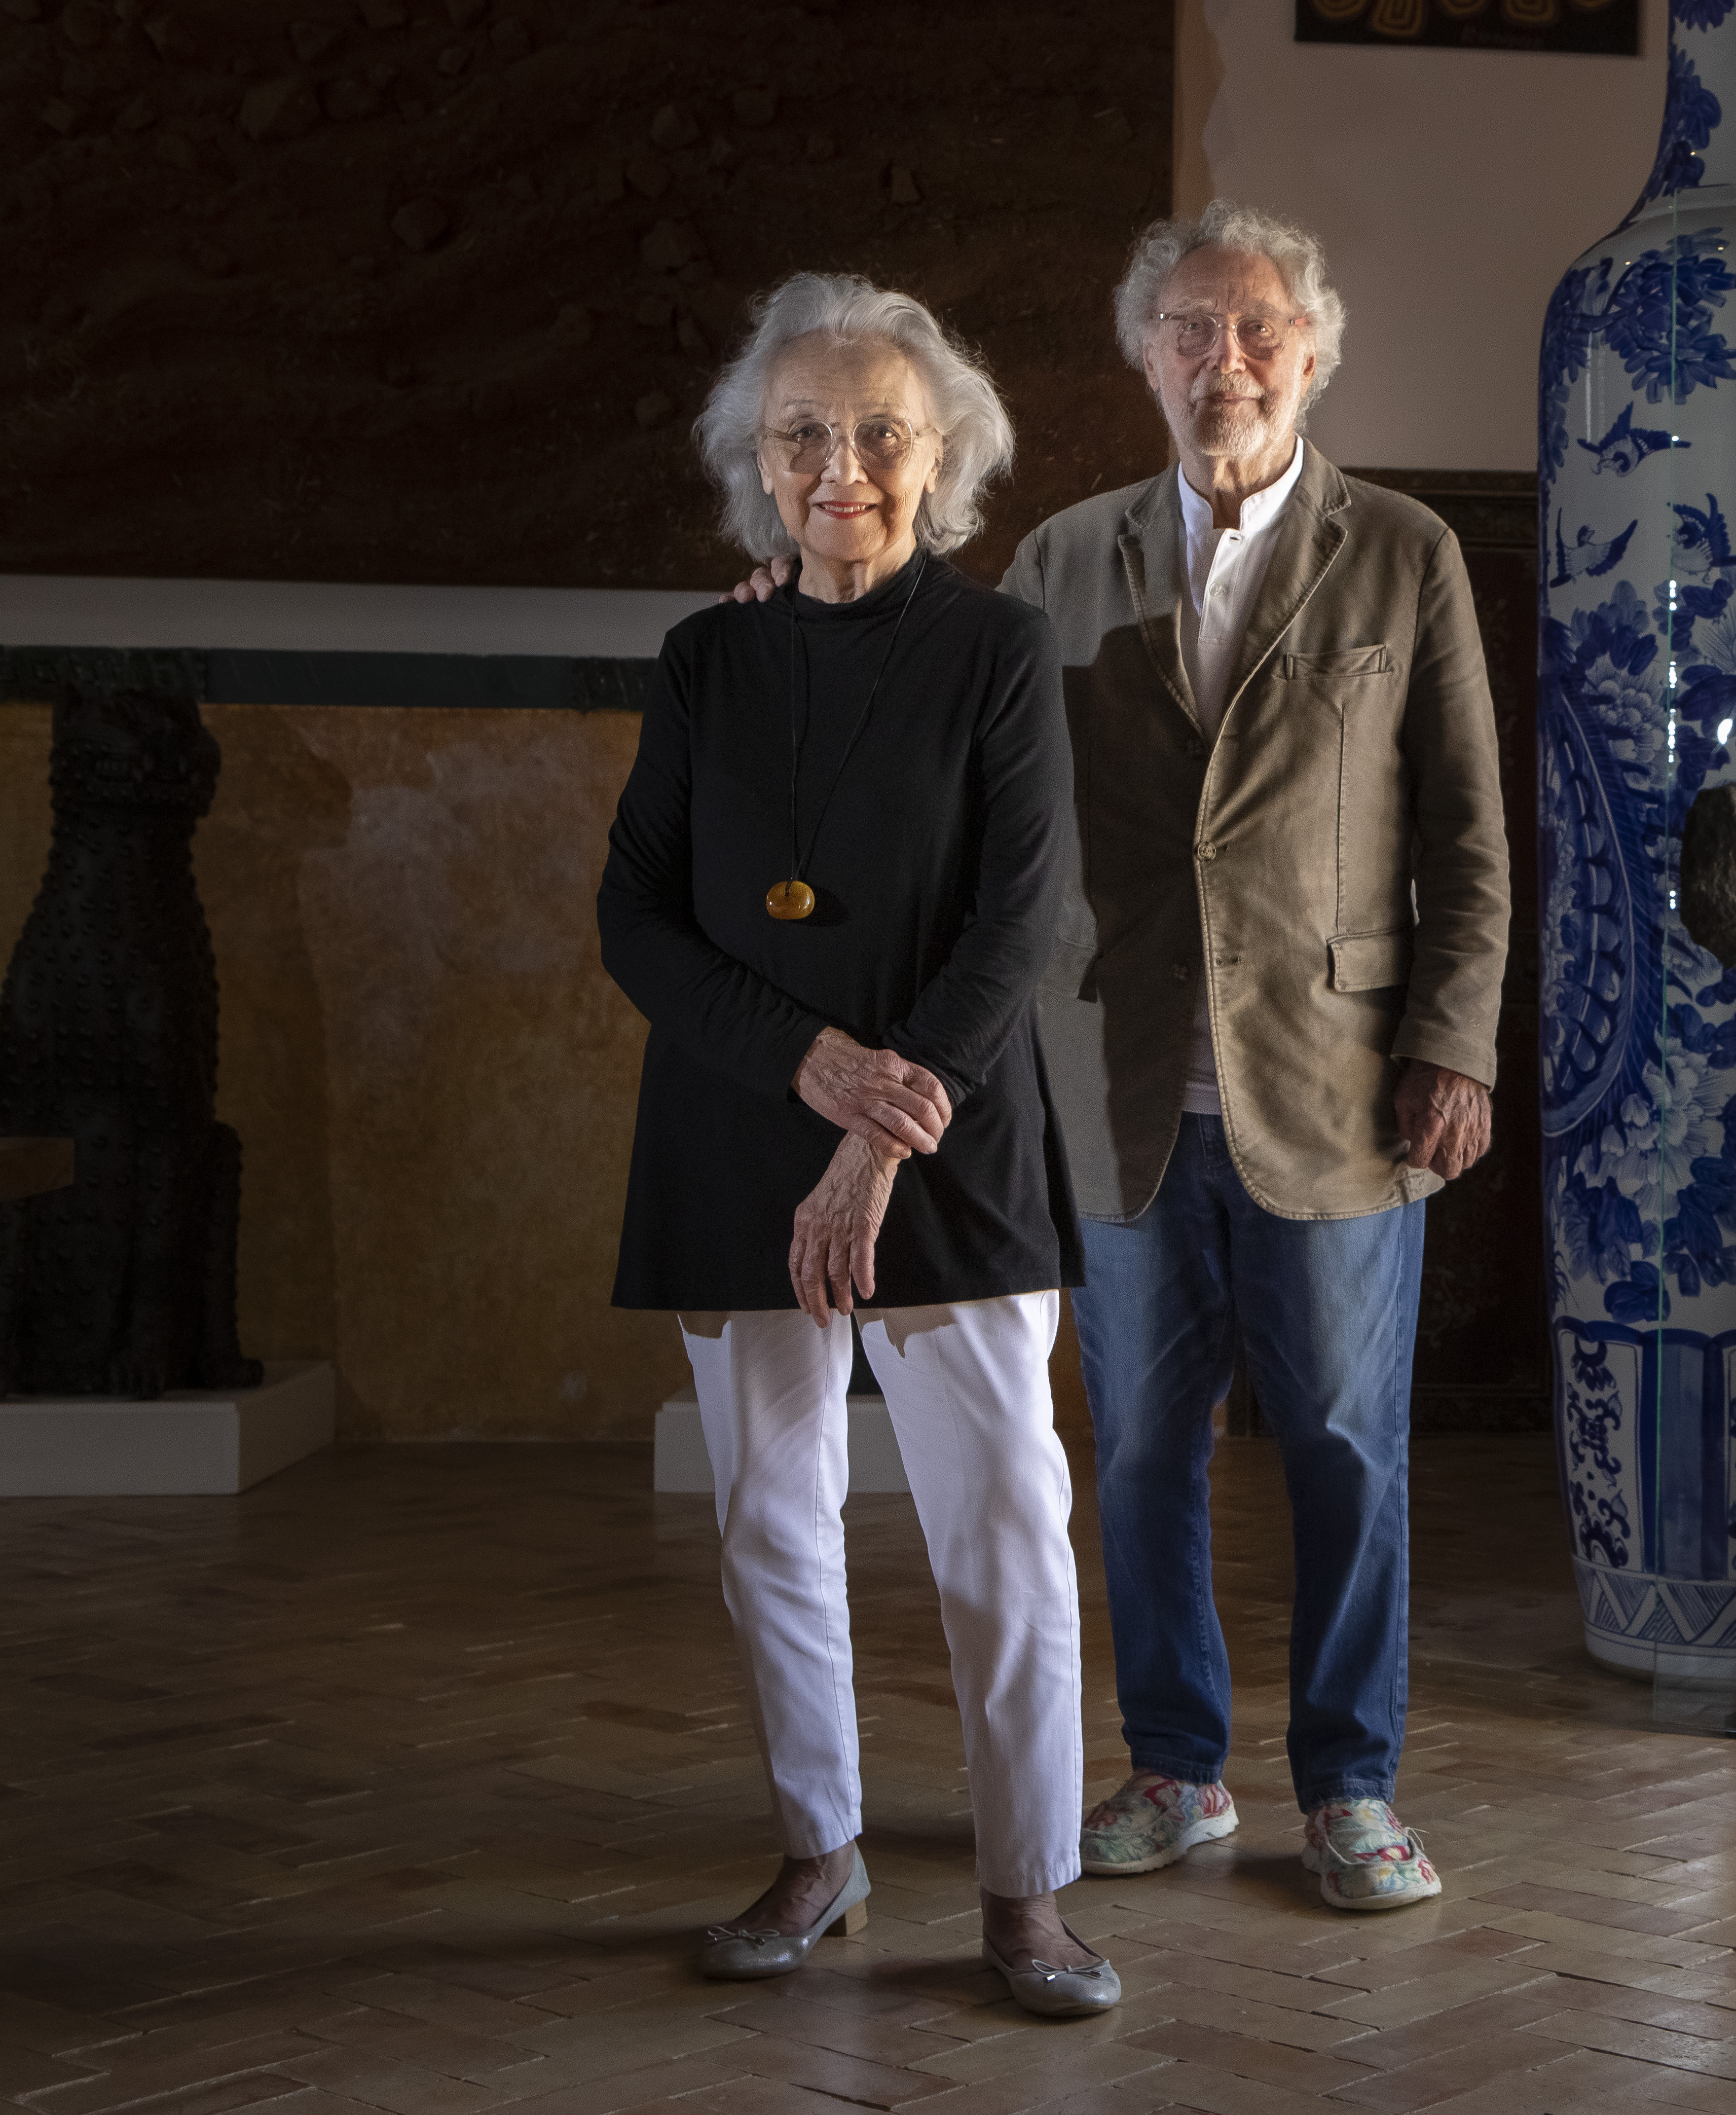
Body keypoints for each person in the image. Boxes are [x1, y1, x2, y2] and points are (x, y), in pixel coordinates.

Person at [746, 202, 1510, 1910]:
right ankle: (1175, 1767)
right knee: (1150, 1445)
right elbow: (946, 751)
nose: (1219, 361)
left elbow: (1467, 827)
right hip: (1106, 1088)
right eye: (1186, 330)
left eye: (1253, 332)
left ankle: (1350, 1785)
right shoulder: (1061, 558)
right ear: (1142, 358)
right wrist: (787, 600)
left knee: (1342, 1440)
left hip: (1338, 1080)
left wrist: (1453, 1039)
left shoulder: (1402, 551)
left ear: (1311, 355)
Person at [598, 272, 1116, 2015]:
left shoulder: (995, 650)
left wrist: (882, 1128)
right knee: (771, 1521)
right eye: (805, 434)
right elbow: (639, 922)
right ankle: (820, 1850)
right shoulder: (703, 655)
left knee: (1006, 1529)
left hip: (953, 1142)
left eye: (880, 433)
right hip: (740, 1129)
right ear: (757, 459)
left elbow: (1020, 920)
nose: (843, 468)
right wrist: (811, 1070)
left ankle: (1027, 1889)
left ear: (940, 455)